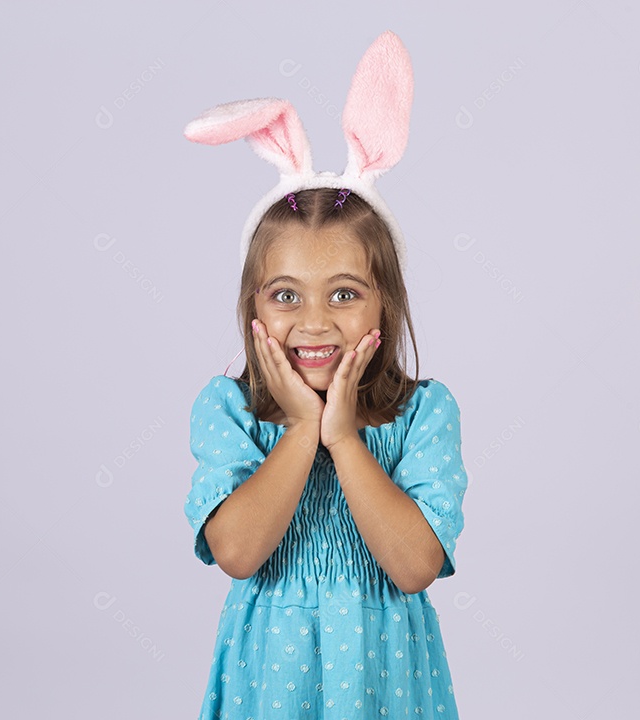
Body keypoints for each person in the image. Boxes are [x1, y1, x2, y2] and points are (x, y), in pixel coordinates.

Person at [182, 31, 470, 718]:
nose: (313, 323)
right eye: (286, 296)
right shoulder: (228, 410)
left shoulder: (424, 416)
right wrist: (303, 430)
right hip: (270, 688)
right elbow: (239, 552)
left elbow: (413, 566)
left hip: (386, 686)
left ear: (385, 303)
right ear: (253, 304)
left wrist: (343, 440)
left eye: (344, 294)